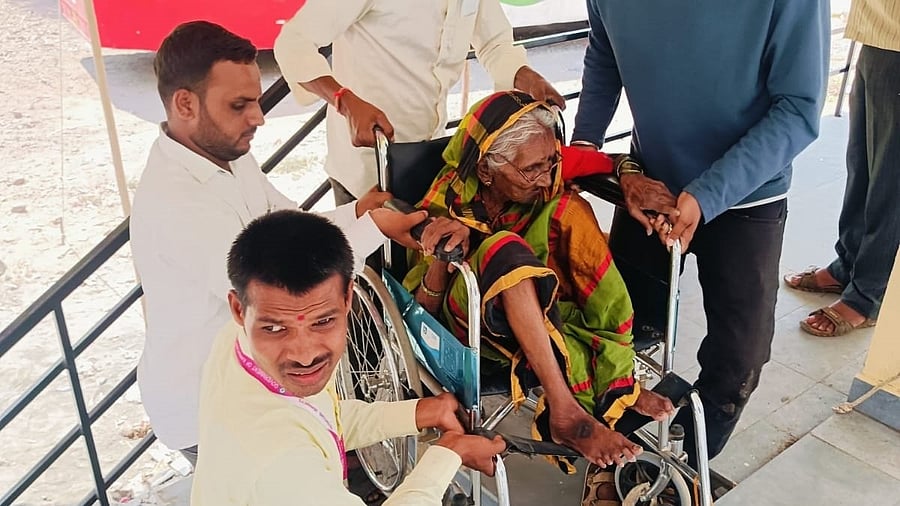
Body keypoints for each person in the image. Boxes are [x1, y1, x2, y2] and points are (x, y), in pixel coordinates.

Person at [129, 21, 426, 466]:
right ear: (185, 104)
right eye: (239, 105)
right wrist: (373, 229)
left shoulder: (226, 157)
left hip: (253, 384)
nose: (259, 118)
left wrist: (361, 214)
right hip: (210, 409)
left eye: (257, 100)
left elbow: (289, 227)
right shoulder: (179, 202)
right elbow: (285, 279)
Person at [572, 0, 829, 465]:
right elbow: (605, 53)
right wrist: (586, 144)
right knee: (613, 331)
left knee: (740, 361)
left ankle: (683, 467)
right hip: (650, 186)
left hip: (749, 193)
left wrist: (708, 193)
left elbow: (799, 107)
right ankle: (616, 460)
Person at [404, 91, 676, 471]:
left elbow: (615, 160)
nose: (547, 176)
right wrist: (442, 253)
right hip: (470, 317)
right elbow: (423, 309)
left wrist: (630, 178)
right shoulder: (444, 203)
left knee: (571, 208)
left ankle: (617, 379)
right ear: (486, 170)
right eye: (533, 169)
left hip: (539, 297)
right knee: (504, 247)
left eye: (552, 162)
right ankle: (565, 410)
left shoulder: (543, 165)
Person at [191, 209, 506, 505]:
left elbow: (320, 417)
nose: (305, 354)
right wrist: (448, 453)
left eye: (323, 321)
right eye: (276, 328)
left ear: (347, 299)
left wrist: (417, 412)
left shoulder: (239, 342)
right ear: (238, 309)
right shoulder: (279, 465)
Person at [273, 0, 565, 204]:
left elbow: (494, 42)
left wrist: (522, 74)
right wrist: (344, 100)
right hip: (367, 162)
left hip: (429, 156)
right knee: (373, 272)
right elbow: (293, 42)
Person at [784, 0, 900, 337]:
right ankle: (848, 264)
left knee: (889, 181)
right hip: (877, 27)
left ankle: (869, 294)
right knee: (861, 165)